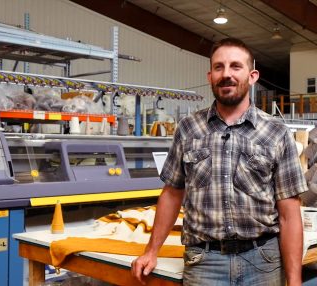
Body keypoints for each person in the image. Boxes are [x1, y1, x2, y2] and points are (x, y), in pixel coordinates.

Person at [131, 38, 308, 286]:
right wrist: (151, 251)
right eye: (219, 67)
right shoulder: (189, 128)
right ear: (210, 75)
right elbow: (172, 193)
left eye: (236, 66)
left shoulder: (276, 132)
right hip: (204, 262)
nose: (227, 74)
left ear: (252, 75)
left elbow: (289, 214)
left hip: (263, 262)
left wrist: (294, 280)